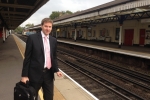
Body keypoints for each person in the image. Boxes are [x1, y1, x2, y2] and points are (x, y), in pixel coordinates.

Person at [21, 18, 63, 100]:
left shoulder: (53, 40)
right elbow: (27, 58)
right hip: (35, 74)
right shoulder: (32, 38)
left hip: (48, 75)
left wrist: (56, 70)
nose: (48, 29)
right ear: (41, 26)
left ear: (52, 27)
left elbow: (53, 57)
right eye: (46, 26)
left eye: (50, 27)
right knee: (32, 97)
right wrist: (24, 75)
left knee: (49, 97)